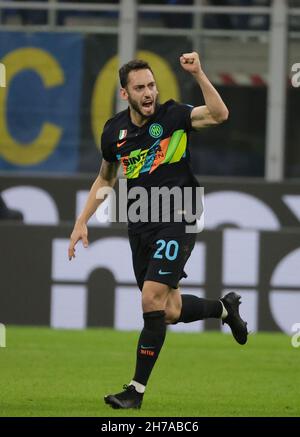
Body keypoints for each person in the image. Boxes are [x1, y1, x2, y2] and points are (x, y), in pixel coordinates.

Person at [68, 51, 248, 410]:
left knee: (150, 299)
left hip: (178, 215)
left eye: (151, 85)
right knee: (167, 309)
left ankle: (135, 391)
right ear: (125, 93)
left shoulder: (174, 116)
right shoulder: (114, 132)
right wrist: (81, 219)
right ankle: (223, 309)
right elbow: (106, 176)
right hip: (141, 223)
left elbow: (219, 114)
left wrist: (198, 73)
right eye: (140, 87)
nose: (148, 92)